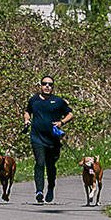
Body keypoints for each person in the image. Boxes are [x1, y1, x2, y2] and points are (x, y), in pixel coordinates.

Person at [24, 75, 73, 204]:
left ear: (53, 87)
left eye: (50, 84)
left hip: (53, 139)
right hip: (37, 137)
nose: (47, 86)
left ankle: (50, 187)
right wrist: (27, 119)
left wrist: (61, 122)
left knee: (51, 165)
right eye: (45, 84)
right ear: (40, 85)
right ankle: (39, 191)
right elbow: (27, 111)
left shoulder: (58, 101)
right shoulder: (34, 100)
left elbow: (70, 113)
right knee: (40, 163)